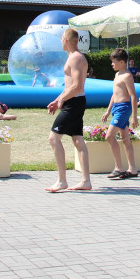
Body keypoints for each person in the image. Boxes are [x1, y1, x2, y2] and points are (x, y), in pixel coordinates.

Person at [45, 28, 91, 192]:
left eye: (61, 38)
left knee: (53, 138)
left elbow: (77, 86)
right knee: (77, 140)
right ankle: (85, 181)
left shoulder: (76, 58)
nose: (60, 41)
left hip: (74, 102)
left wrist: (62, 100)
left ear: (65, 39)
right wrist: (57, 100)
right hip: (74, 101)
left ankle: (62, 181)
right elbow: (70, 85)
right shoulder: (73, 57)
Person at [100, 49, 139, 180]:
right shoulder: (117, 75)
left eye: (114, 62)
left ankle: (119, 168)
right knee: (125, 139)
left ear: (122, 62)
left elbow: (133, 96)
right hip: (116, 108)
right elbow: (114, 94)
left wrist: (134, 116)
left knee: (110, 136)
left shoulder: (127, 76)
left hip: (124, 108)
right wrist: (107, 110)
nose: (112, 64)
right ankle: (132, 169)